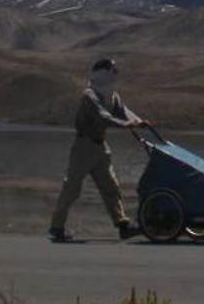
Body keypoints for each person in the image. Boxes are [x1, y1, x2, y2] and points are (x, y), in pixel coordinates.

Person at [48, 58, 149, 242]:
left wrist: (140, 122)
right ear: (102, 72)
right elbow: (104, 117)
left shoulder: (112, 95)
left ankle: (122, 225)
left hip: (100, 146)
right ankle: (56, 227)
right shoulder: (89, 95)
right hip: (83, 147)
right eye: (112, 70)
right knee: (72, 188)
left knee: (111, 186)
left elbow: (123, 111)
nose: (115, 73)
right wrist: (127, 124)